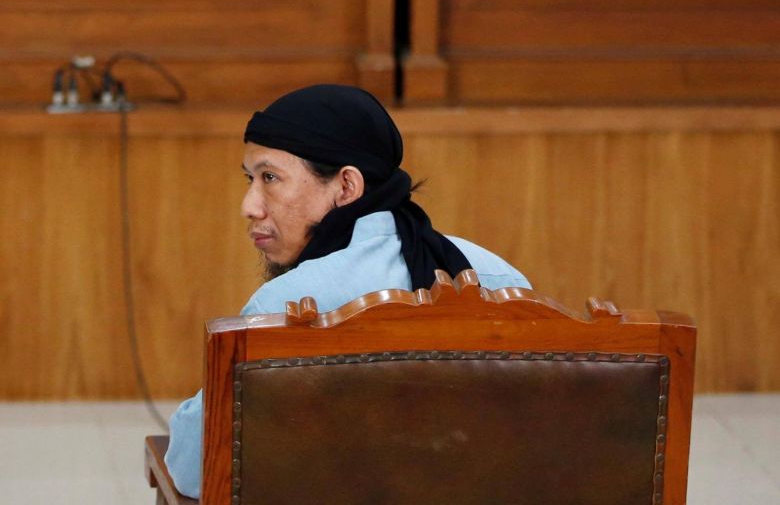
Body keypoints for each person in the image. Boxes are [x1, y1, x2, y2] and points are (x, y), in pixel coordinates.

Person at [164, 84, 531, 498]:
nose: (250, 205)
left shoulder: (288, 306)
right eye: (251, 180)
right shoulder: (502, 281)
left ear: (346, 187)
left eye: (270, 178)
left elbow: (193, 468)